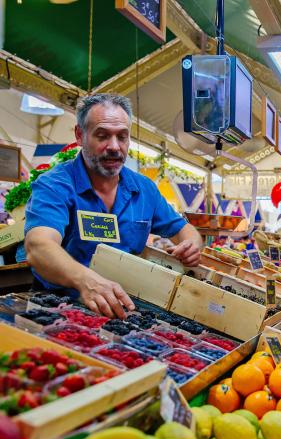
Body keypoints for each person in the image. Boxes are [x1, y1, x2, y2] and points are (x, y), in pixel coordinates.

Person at [25, 94, 202, 319]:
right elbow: (39, 247)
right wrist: (85, 280)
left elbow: (185, 231)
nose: (114, 147)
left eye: (122, 137)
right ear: (80, 135)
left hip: (123, 308)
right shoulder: (55, 185)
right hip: (59, 307)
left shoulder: (144, 189)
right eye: (102, 136)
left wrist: (191, 246)